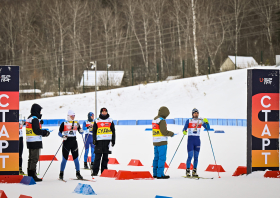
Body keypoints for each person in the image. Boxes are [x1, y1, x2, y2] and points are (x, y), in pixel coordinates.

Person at [182, 108, 210, 178]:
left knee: (196, 157)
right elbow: (184, 129)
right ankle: (188, 171)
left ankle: (194, 171)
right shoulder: (189, 120)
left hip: (197, 140)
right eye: (194, 113)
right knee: (190, 156)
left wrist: (207, 122)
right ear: (192, 114)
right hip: (190, 140)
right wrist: (184, 131)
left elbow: (207, 128)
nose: (196, 114)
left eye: (197, 113)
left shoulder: (200, 121)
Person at [26, 104, 50, 182]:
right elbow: (36, 131)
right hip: (35, 141)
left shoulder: (30, 118)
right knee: (34, 159)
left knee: (31, 158)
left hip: (30, 141)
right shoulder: (35, 119)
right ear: (36, 110)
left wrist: (39, 122)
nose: (40, 112)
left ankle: (30, 174)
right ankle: (33, 175)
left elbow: (34, 127)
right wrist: (45, 132)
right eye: (39, 110)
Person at [58, 110, 84, 180]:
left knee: (76, 159)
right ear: (68, 116)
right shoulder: (64, 123)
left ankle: (78, 173)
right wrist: (62, 136)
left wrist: (82, 131)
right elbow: (59, 133)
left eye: (74, 116)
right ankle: (61, 173)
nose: (73, 117)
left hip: (74, 143)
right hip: (66, 143)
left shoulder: (76, 123)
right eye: (72, 116)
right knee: (64, 159)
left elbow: (81, 131)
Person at [91, 108, 115, 176]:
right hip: (99, 142)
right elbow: (94, 131)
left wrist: (113, 140)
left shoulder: (110, 120)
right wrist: (94, 140)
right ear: (101, 112)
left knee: (105, 157)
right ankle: (95, 171)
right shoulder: (97, 120)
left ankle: (104, 171)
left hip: (107, 142)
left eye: (105, 111)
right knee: (97, 157)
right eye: (103, 112)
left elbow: (113, 131)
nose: (104, 113)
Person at [152, 106, 175, 179]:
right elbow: (164, 132)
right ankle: (160, 174)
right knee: (162, 158)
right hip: (162, 142)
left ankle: (155, 173)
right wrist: (171, 133)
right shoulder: (162, 120)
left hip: (155, 141)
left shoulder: (155, 119)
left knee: (156, 158)